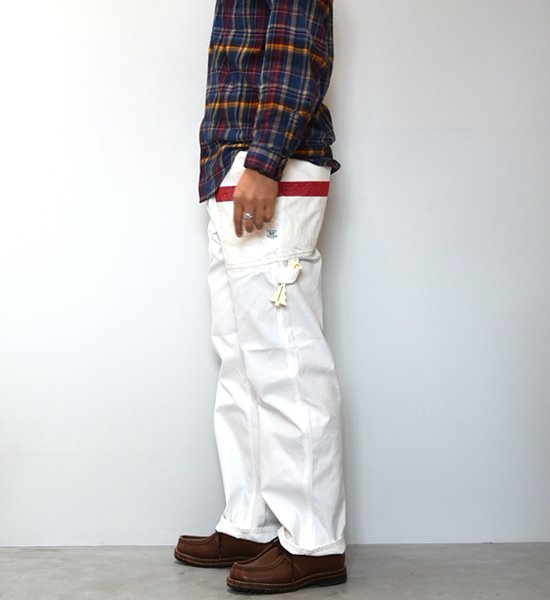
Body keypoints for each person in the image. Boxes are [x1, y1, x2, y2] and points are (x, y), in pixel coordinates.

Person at [174, 0, 347, 593]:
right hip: (235, 167)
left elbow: (297, 50)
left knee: (286, 364)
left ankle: (314, 541)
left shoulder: (266, 162)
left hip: (268, 166)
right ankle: (251, 523)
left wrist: (265, 160)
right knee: (241, 361)